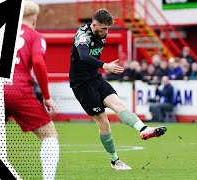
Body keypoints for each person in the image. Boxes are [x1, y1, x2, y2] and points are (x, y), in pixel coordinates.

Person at [69, 9, 167, 170]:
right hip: (81, 84)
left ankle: (144, 129)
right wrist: (105, 65)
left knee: (118, 105)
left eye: (108, 29)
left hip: (95, 78)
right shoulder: (83, 35)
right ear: (94, 25)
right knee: (104, 123)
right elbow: (84, 57)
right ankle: (115, 161)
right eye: (103, 29)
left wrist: (102, 67)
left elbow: (91, 58)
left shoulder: (102, 32)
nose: (106, 32)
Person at [4, 1, 59, 179]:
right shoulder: (35, 36)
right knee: (49, 135)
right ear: (34, 18)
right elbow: (38, 63)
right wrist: (47, 96)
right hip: (17, 90)